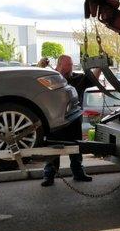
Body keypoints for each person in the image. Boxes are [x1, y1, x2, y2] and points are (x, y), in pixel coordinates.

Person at [41, 55, 101, 187]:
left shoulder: (76, 78)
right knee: (53, 149)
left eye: (72, 64)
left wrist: (100, 66)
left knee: (76, 148)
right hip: (54, 121)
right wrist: (40, 66)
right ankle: (49, 175)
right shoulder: (50, 77)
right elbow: (33, 80)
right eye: (68, 64)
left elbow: (93, 79)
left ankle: (78, 173)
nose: (71, 67)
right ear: (60, 64)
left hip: (73, 121)